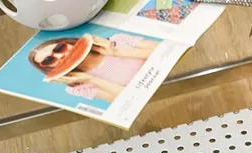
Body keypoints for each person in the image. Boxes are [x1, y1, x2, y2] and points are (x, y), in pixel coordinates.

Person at [28, 34, 160, 105]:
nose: (60, 56)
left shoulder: (117, 40)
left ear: (67, 42)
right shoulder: (78, 87)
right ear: (48, 68)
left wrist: (116, 52)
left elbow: (164, 51)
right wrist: (91, 79)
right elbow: (130, 99)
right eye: (48, 60)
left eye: (59, 48)